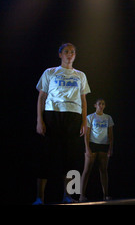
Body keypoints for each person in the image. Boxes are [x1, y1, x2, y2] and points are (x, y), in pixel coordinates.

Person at [34, 43, 91, 205]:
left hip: (73, 117)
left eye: (72, 52)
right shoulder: (50, 72)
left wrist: (84, 122)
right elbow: (41, 97)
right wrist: (40, 120)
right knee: (46, 156)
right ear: (60, 54)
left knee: (71, 158)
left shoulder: (80, 75)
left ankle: (68, 195)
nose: (69, 54)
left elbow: (84, 100)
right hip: (53, 115)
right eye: (66, 52)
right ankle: (40, 197)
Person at [80, 98, 114, 202]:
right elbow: (87, 133)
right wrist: (87, 148)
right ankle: (82, 195)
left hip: (104, 145)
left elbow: (111, 134)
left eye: (103, 104)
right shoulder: (90, 117)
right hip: (92, 144)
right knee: (87, 170)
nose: (101, 106)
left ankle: (106, 195)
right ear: (95, 105)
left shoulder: (108, 118)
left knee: (103, 170)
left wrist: (110, 148)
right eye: (99, 104)